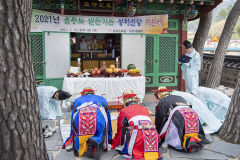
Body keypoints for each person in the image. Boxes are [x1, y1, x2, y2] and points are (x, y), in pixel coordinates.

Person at [62, 87, 112, 158]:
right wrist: (109, 138)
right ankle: (95, 140)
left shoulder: (77, 100)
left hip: (81, 117)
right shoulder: (101, 98)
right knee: (100, 132)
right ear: (93, 93)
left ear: (83, 94)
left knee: (80, 131)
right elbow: (108, 116)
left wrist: (71, 135)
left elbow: (73, 116)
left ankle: (79, 148)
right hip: (97, 116)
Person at [155, 87, 208, 152]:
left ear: (160, 96)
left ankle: (184, 143)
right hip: (192, 113)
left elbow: (160, 118)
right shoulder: (179, 97)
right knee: (190, 128)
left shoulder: (163, 101)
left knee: (174, 130)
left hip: (178, 114)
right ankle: (192, 141)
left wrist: (158, 132)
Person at [112, 90, 161, 160]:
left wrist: (117, 142)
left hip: (137, 134)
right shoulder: (144, 108)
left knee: (135, 151)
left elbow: (121, 128)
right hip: (152, 134)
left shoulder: (124, 110)